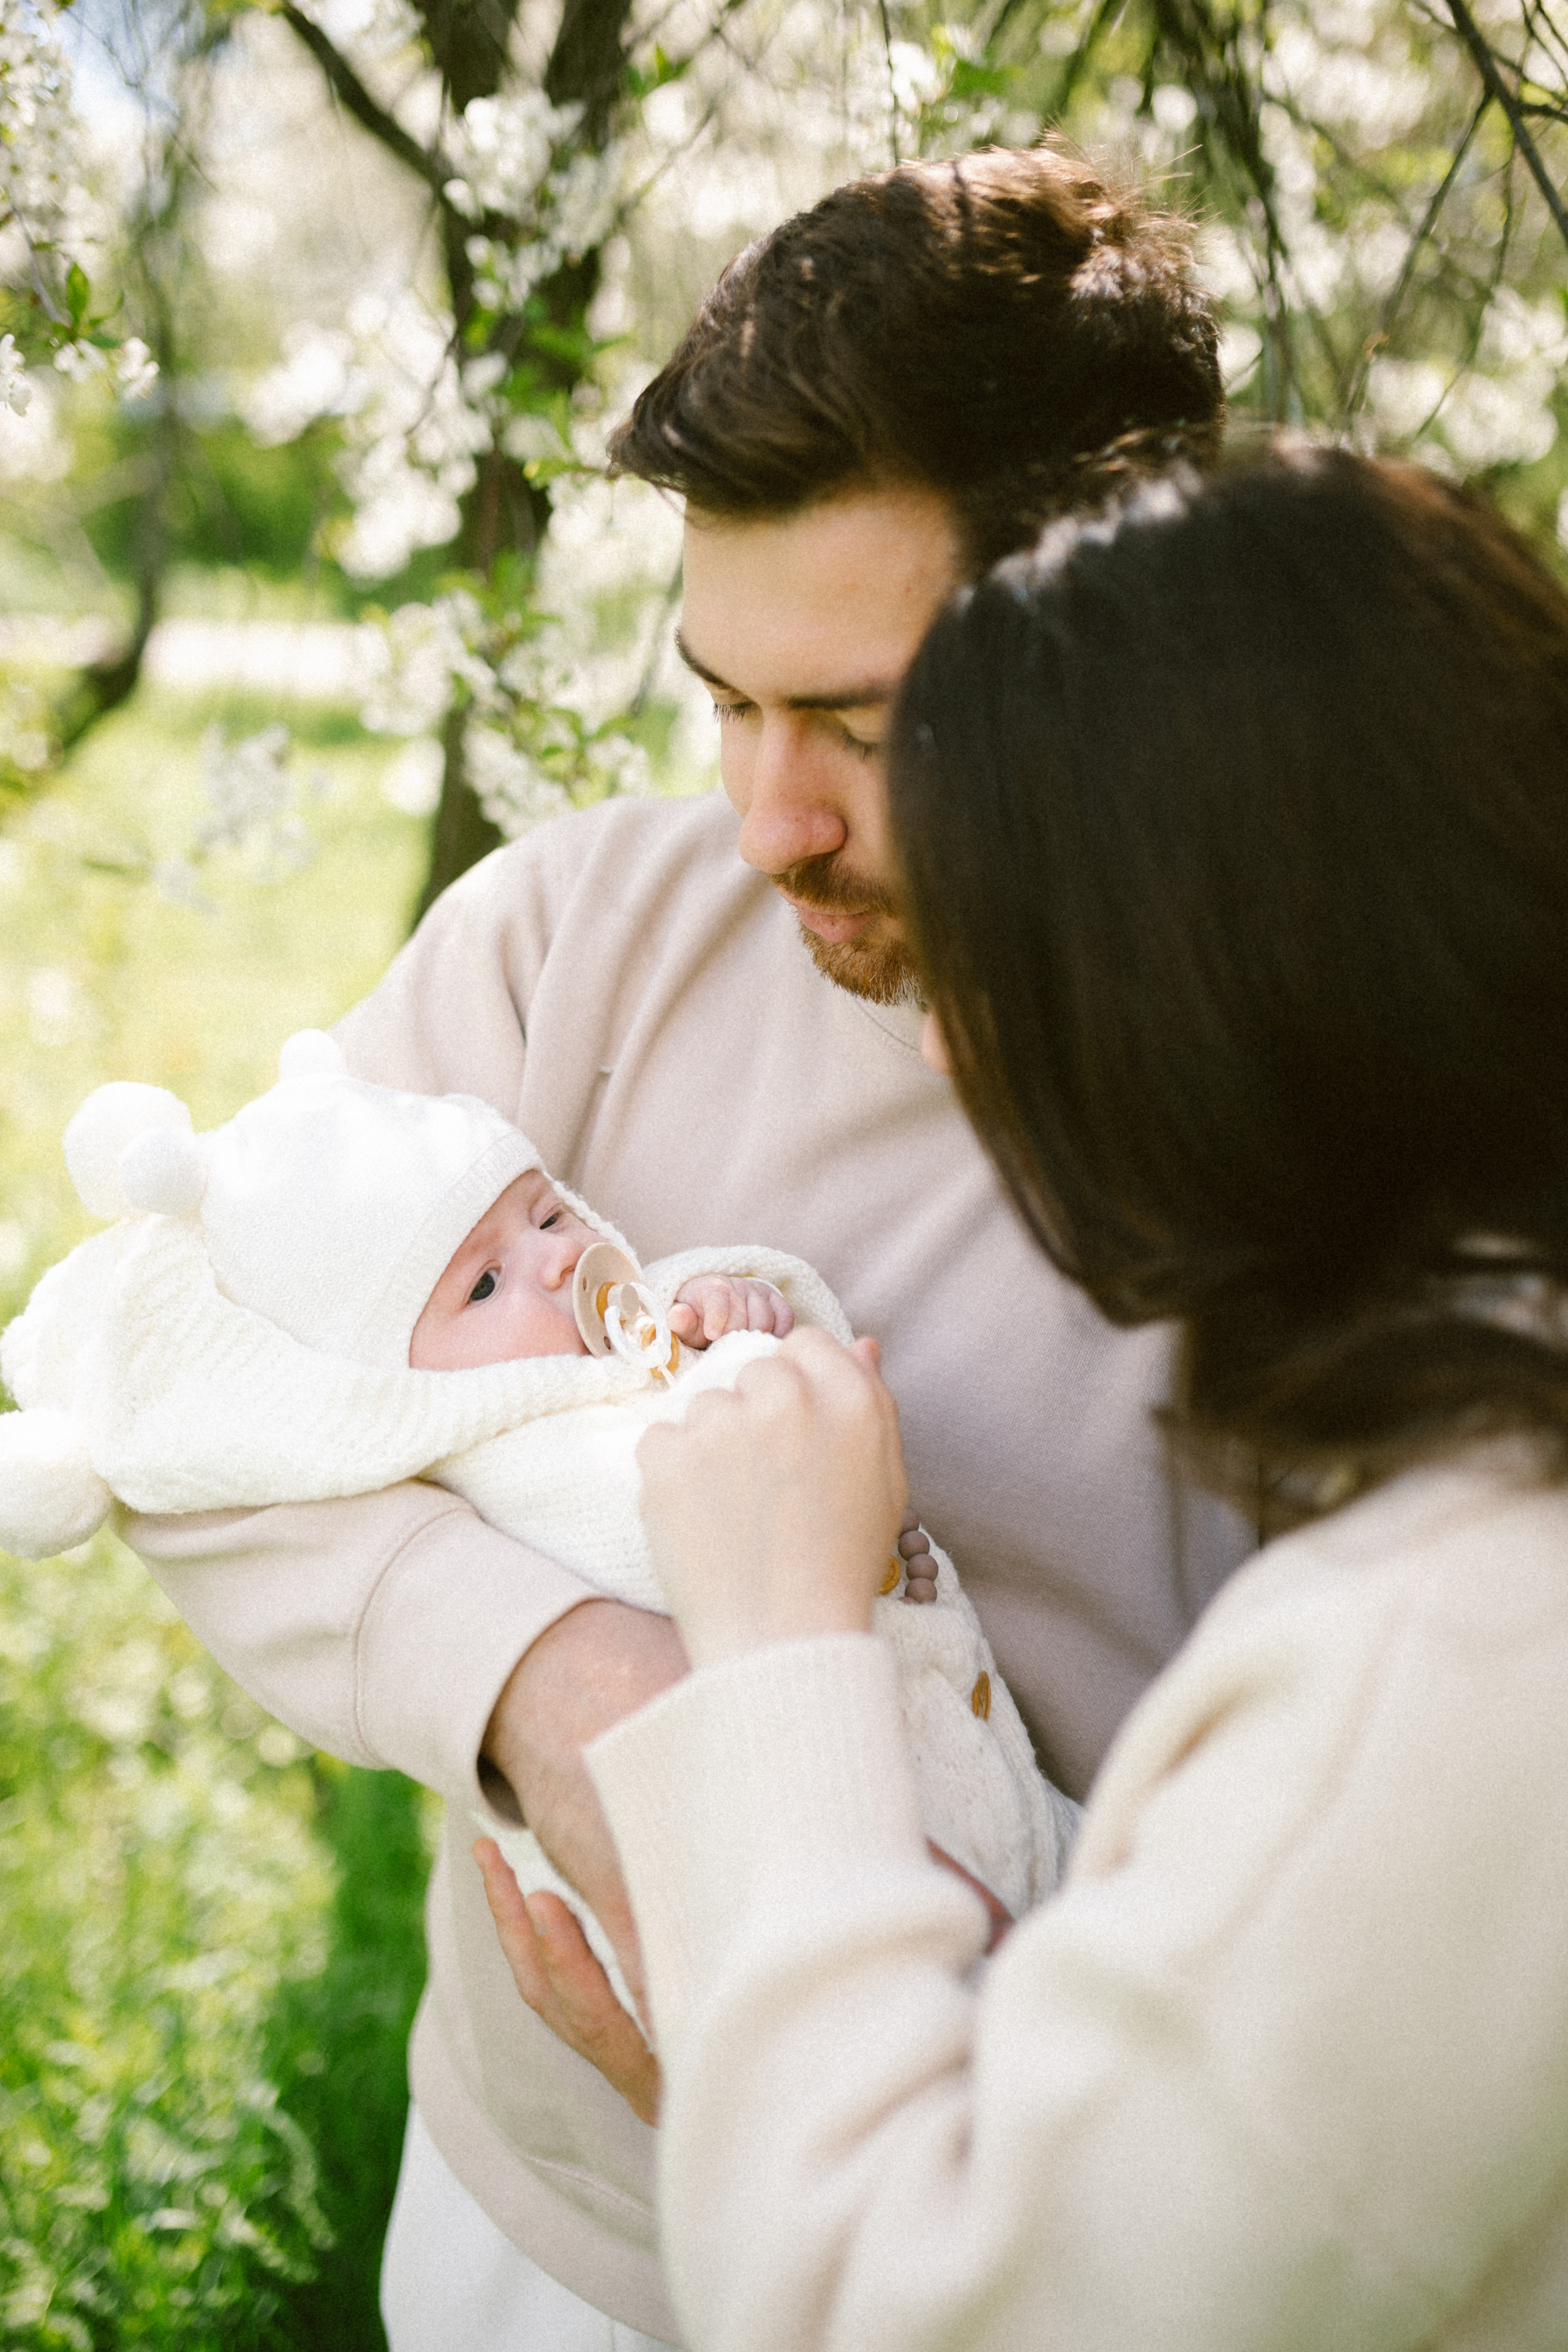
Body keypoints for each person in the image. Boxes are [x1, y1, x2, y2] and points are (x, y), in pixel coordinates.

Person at [118, 146, 1245, 2350]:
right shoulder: (574, 939)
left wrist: (856, 2039)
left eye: (861, 721)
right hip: (537, 2228)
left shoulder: (1326, 1121)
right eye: (727, 698)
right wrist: (572, 1702)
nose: (767, 823)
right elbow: (181, 1386)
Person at [521, 443, 1568, 2350]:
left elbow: (910, 2318)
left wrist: (775, 1647)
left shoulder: (1455, 1656)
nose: (940, 1031)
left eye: (1002, 953)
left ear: (1212, 991)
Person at [0, 1038, 1069, 2023]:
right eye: (483, 1283)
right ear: (388, 1389)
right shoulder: (509, 1462)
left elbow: (719, 1345)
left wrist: (737, 1311)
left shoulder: (627, 1342)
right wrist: (741, 1384)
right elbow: (665, 1535)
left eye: (549, 1216)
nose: (558, 1262)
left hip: (989, 1779)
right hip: (833, 1852)